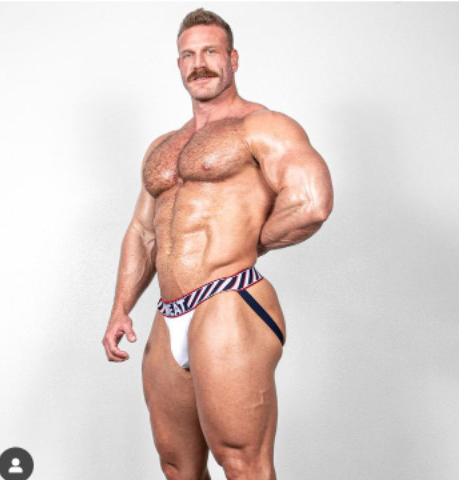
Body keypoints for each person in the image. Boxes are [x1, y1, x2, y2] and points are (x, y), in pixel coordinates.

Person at [102, 8, 333, 480]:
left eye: (210, 51)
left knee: (242, 463)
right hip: (169, 313)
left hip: (229, 299)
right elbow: (143, 231)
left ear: (233, 59)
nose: (199, 63)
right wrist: (121, 308)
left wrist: (255, 241)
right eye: (188, 55)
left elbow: (312, 202)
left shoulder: (262, 125)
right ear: (178, 65)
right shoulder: (163, 147)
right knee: (177, 465)